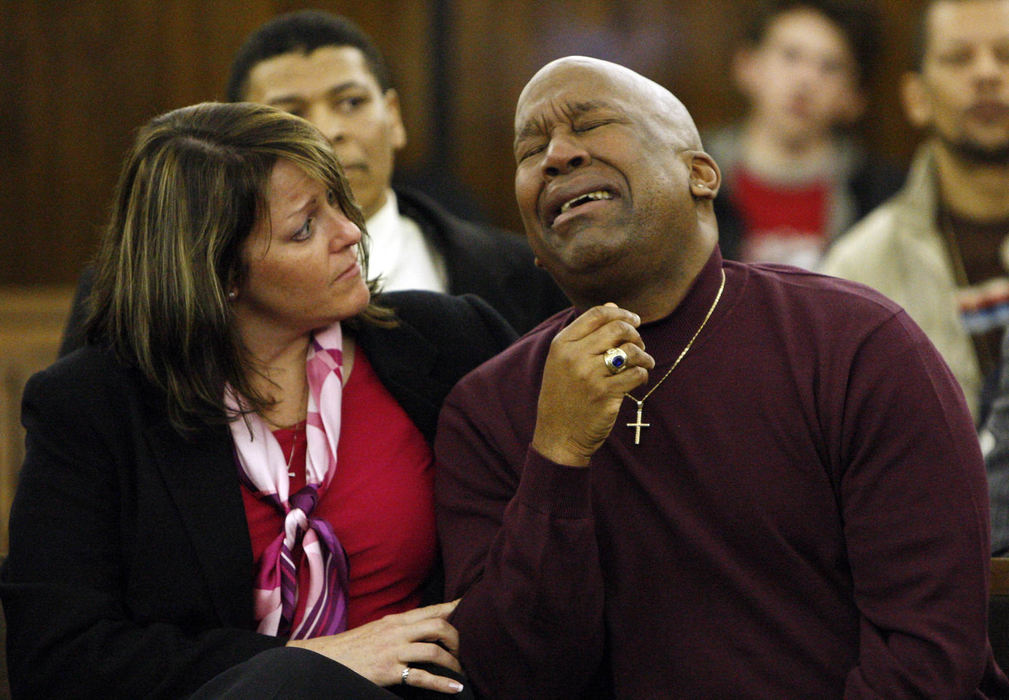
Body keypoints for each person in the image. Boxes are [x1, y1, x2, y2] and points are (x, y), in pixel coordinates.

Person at [433, 55, 1009, 698]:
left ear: (701, 175)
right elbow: (511, 677)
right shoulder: (487, 410)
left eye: (591, 124)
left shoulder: (858, 345)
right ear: (533, 242)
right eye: (531, 149)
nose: (558, 155)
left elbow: (930, 652)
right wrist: (557, 457)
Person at [0, 101, 516, 698]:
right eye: (305, 227)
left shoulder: (447, 340)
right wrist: (315, 664)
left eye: (338, 203)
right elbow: (58, 655)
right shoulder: (92, 407)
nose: (351, 232)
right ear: (219, 274)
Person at [55, 11, 566, 356]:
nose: (327, 130)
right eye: (289, 113)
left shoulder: (522, 272)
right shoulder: (131, 290)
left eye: (351, 102)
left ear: (393, 116)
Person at [821, 0, 1009, 424]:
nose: (987, 74)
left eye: (1006, 55)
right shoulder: (859, 270)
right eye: (958, 58)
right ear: (917, 97)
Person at [705, 0, 904, 270]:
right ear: (747, 65)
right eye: (791, 55)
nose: (805, 80)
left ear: (855, 97)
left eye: (830, 66)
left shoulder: (884, 198)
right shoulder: (689, 176)